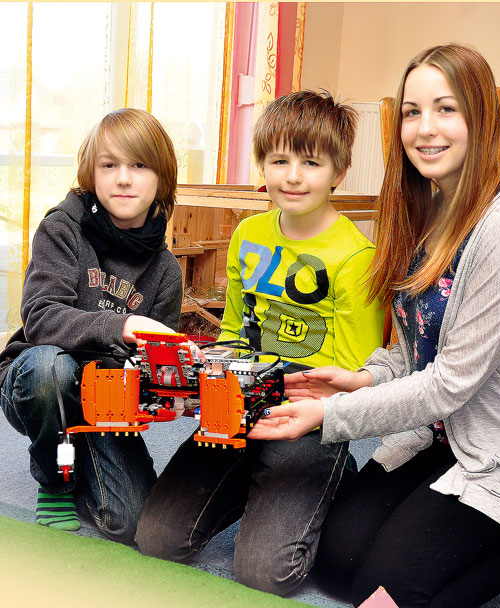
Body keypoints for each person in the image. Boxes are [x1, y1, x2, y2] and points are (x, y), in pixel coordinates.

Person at [250, 44, 500, 608]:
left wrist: (330, 415)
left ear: (480, 117)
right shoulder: (421, 205)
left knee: (385, 596)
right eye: (412, 112)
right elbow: (418, 348)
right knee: (335, 567)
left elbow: (450, 382)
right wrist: (361, 378)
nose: (425, 128)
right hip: (438, 431)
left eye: (446, 109)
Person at [135, 91, 385, 596]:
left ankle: (333, 479)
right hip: (237, 405)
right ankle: (257, 478)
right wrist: (197, 382)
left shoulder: (357, 257)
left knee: (266, 574)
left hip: (308, 421)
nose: (293, 176)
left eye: (311, 162)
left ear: (339, 170)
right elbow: (232, 334)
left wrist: (313, 413)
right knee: (157, 540)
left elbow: (358, 373)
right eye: (280, 160)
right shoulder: (248, 234)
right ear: (263, 165)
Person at [0, 108, 183, 543]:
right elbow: (41, 318)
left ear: (161, 178)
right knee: (52, 369)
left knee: (129, 521)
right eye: (109, 165)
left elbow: (152, 370)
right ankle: (56, 481)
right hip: (35, 380)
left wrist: (170, 391)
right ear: (91, 173)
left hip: (106, 402)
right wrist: (120, 326)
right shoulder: (62, 229)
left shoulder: (165, 270)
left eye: (139, 165)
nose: (123, 178)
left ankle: (77, 456)